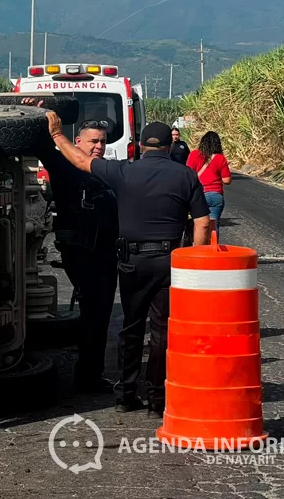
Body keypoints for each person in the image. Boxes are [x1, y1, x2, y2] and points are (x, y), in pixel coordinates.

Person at [43, 111, 211, 418]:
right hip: (169, 262)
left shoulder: (123, 171)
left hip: (132, 262)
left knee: (132, 328)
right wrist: (196, 262)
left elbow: (80, 162)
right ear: (168, 147)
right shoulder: (185, 174)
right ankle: (158, 398)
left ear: (142, 146)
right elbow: (202, 223)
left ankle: (126, 393)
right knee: (162, 331)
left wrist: (56, 133)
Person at [22, 98, 119, 395]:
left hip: (105, 251)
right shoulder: (64, 164)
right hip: (81, 250)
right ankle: (88, 376)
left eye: (102, 142)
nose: (98, 147)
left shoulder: (107, 170)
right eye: (92, 141)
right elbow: (42, 146)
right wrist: (40, 112)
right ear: (77, 141)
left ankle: (90, 372)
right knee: (94, 311)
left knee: (99, 315)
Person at [186, 131, 232, 237]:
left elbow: (188, 175)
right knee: (214, 226)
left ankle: (198, 249)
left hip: (198, 196)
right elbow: (226, 180)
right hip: (216, 195)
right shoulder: (220, 158)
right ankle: (213, 249)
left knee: (198, 225)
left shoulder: (194, 154)